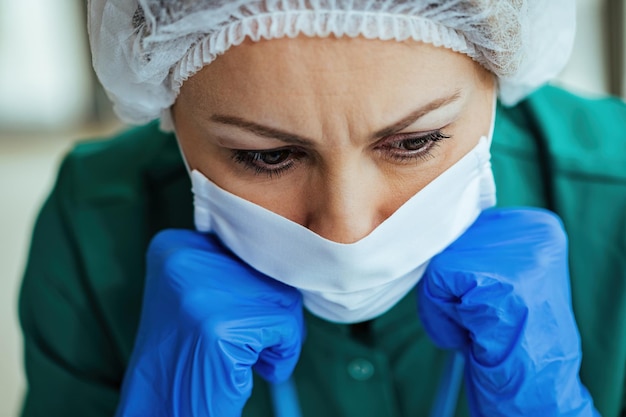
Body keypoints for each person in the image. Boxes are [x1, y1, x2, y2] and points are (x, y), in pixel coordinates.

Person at [18, 1, 626, 416]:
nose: (346, 228)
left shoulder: (614, 192)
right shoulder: (95, 217)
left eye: (413, 143)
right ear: (169, 114)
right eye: (267, 155)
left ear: (497, 82)